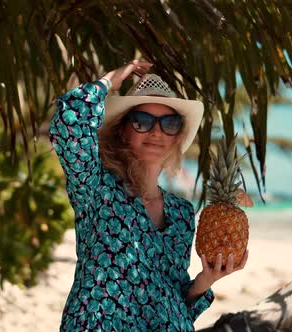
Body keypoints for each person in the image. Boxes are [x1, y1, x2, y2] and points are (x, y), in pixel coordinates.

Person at [48, 60, 248, 331]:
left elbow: (172, 301)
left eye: (169, 122)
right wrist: (110, 80)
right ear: (123, 130)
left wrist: (205, 280)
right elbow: (67, 124)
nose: (157, 131)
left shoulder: (182, 212)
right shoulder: (96, 187)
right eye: (142, 121)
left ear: (177, 135)